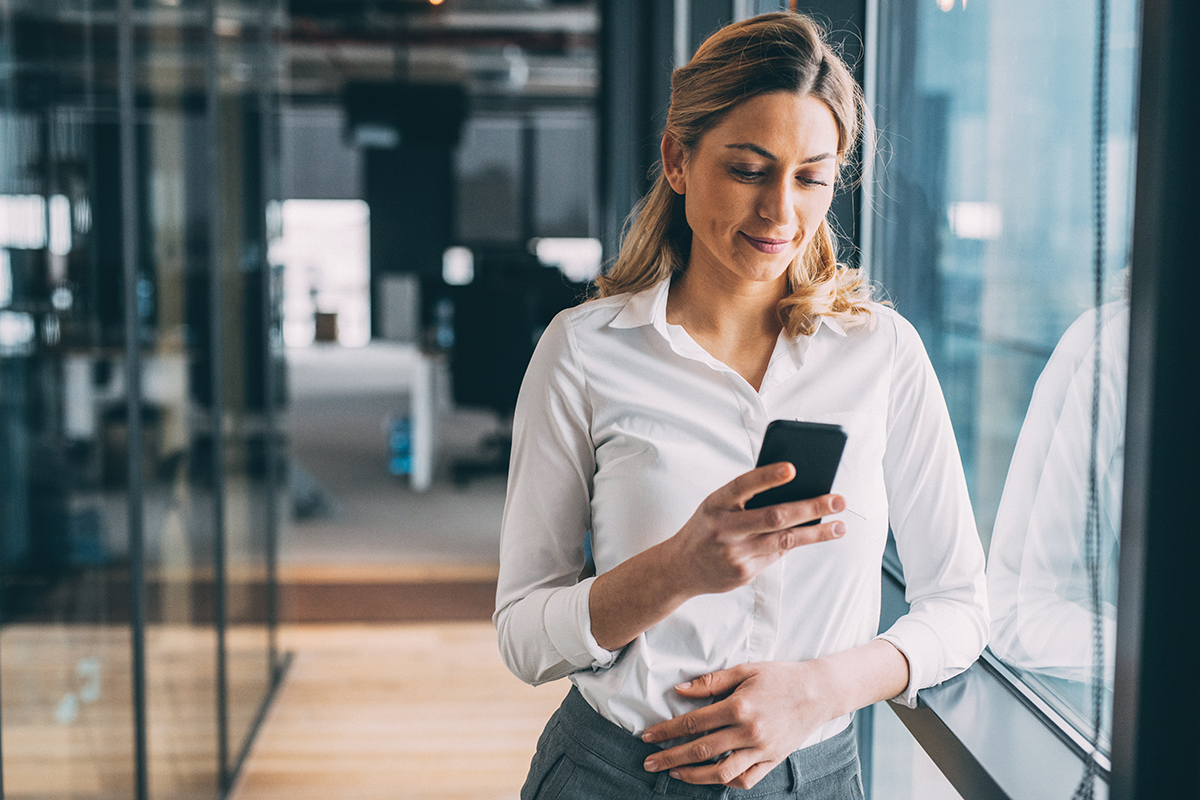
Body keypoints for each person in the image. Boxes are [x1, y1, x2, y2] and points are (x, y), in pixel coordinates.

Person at [494, 12, 988, 799]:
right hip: (611, 774)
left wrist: (823, 689)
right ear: (678, 160)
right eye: (750, 169)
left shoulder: (882, 354)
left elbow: (960, 608)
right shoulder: (584, 351)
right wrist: (678, 569)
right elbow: (522, 637)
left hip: (817, 776)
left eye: (811, 176)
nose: (780, 214)